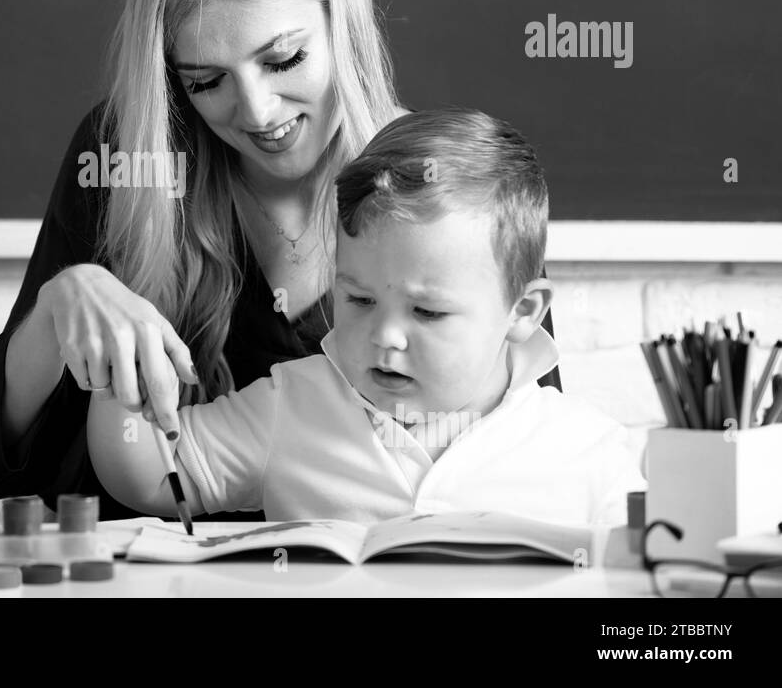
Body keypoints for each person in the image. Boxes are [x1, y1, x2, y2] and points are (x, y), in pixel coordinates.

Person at [0, 0, 560, 520]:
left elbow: (529, 447)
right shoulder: (128, 157)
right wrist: (59, 309)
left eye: (284, 58)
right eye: (206, 81)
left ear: (340, 17)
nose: (259, 112)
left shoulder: (451, 194)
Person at [88, 109, 642, 527]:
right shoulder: (296, 402)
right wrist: (123, 344)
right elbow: (149, 478)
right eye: (358, 300)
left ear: (522, 312)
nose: (385, 336)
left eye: (427, 311)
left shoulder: (589, 452)